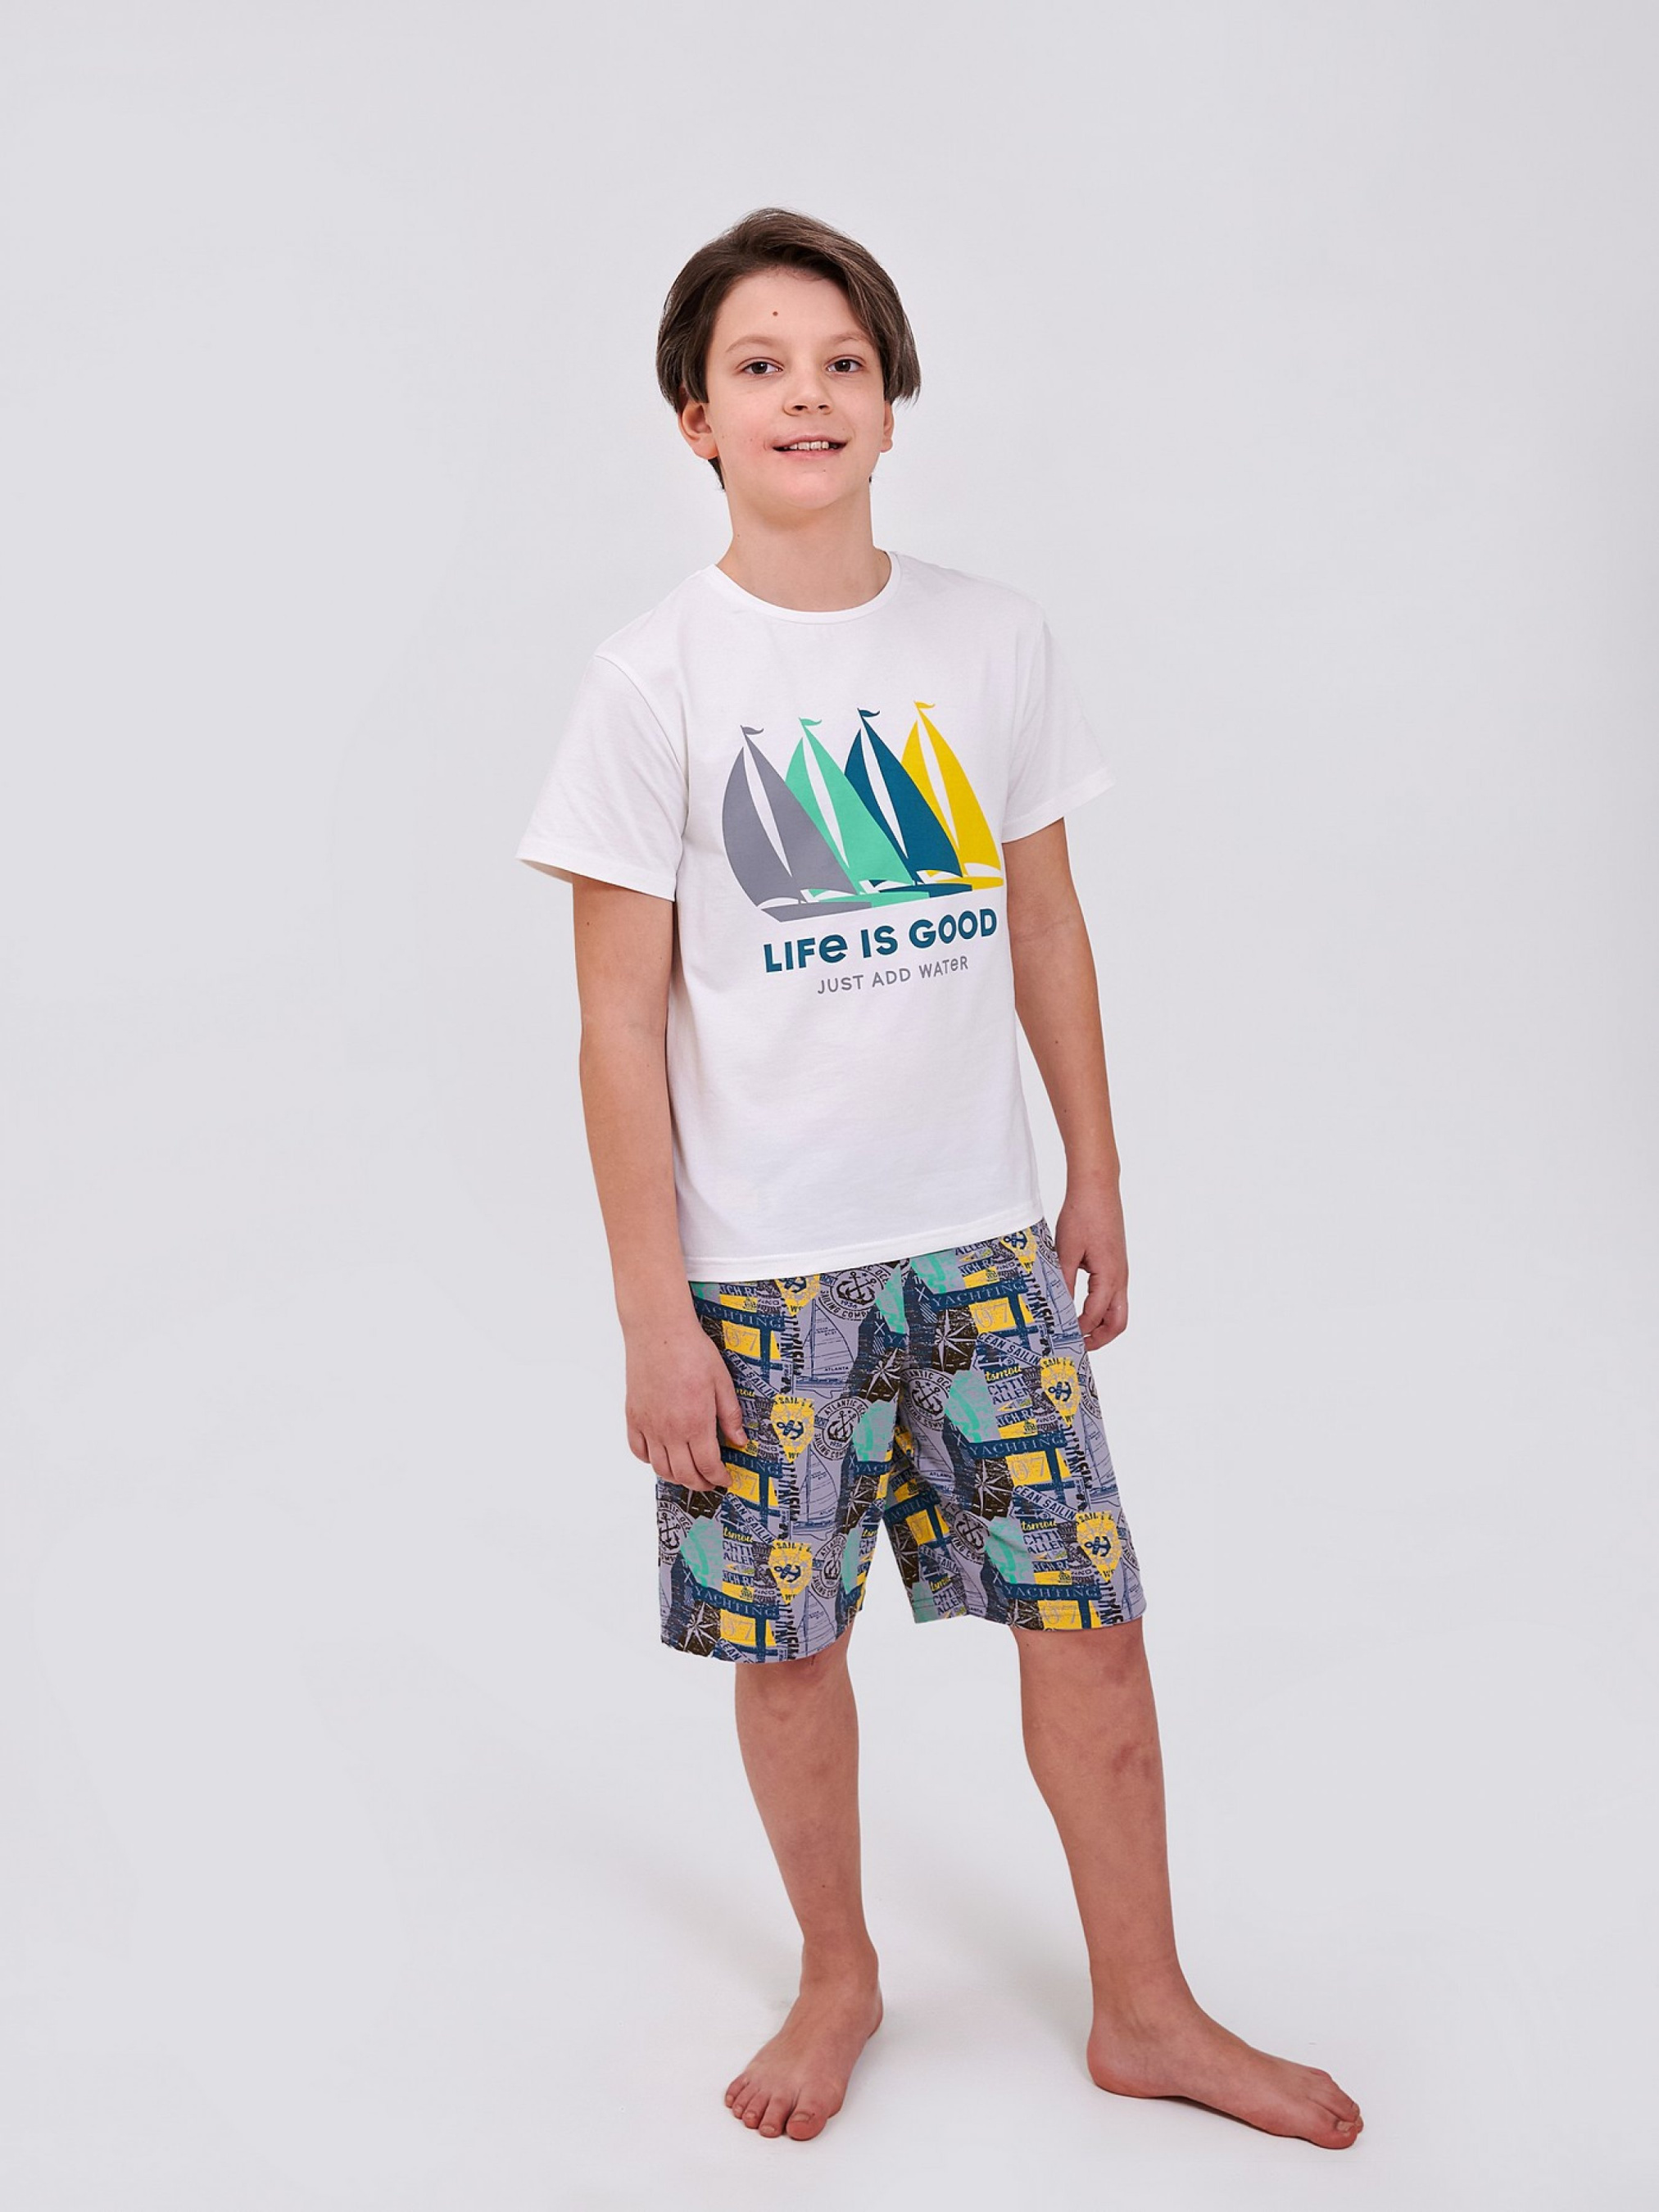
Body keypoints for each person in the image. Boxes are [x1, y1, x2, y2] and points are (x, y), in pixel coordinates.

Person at [514, 206, 1363, 2153]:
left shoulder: (989, 641)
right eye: (758, 366)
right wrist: (653, 1315)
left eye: (841, 362)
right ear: (693, 419)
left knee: (1090, 1617)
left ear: (891, 402)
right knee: (789, 1648)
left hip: (979, 1244)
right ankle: (838, 1971)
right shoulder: (650, 679)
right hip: (763, 1274)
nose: (804, 395)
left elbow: (1044, 923)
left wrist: (1094, 1171)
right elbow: (611, 1025)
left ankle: (1144, 2007)